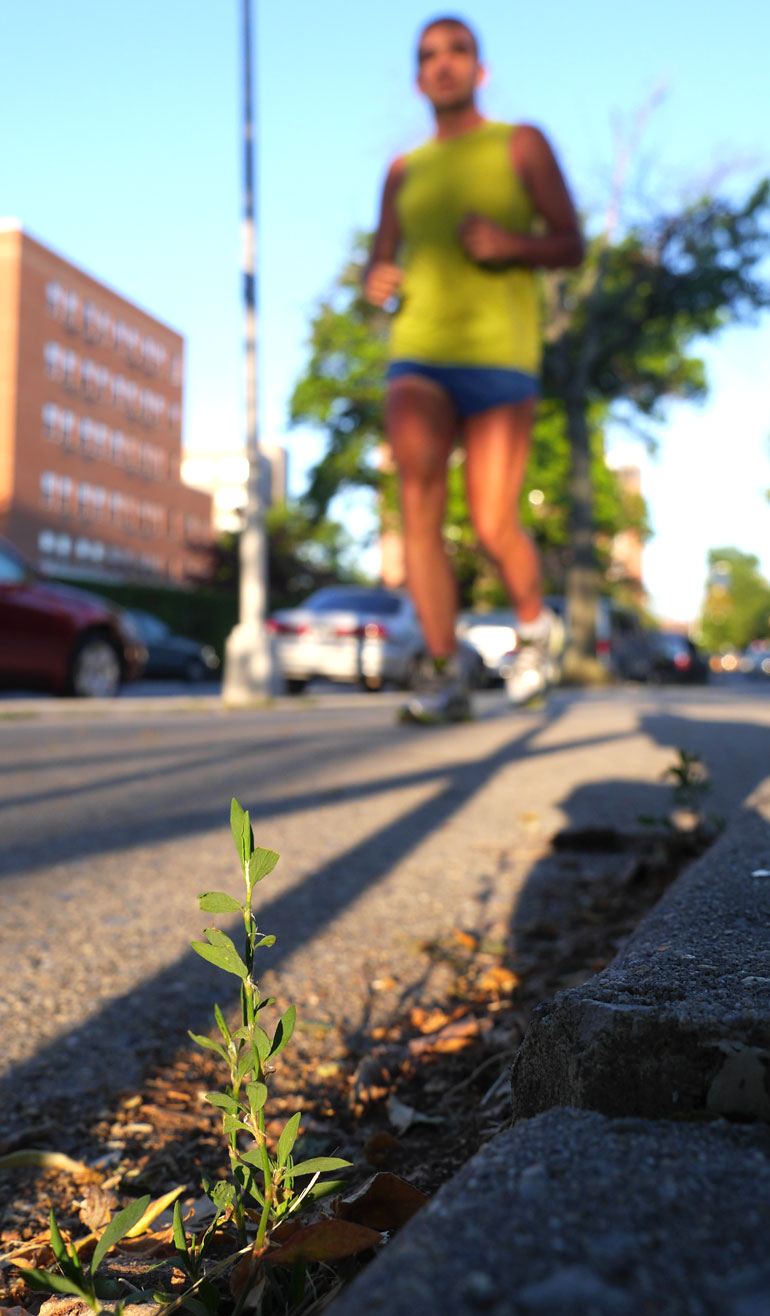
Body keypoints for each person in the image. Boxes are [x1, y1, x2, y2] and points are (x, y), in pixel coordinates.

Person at [364, 14, 584, 723]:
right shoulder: (402, 171)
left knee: (492, 523)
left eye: (457, 51)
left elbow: (571, 242)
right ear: (417, 77)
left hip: (500, 357)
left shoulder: (520, 144)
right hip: (419, 351)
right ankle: (442, 672)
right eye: (429, 55)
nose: (444, 64)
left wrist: (507, 242)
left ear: (478, 70)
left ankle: (533, 629)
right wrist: (377, 281)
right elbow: (381, 258)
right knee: (417, 507)